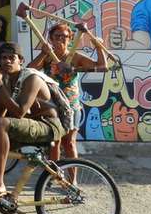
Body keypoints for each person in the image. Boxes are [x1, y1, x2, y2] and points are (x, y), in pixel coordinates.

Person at [0, 42, 66, 209]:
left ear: (20, 60)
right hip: (29, 127)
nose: (7, 61)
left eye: (11, 58)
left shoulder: (32, 78)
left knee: (1, 124)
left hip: (48, 125)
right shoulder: (7, 81)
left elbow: (19, 112)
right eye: (3, 58)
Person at [28, 23, 107, 163]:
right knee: (55, 142)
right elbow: (29, 70)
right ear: (50, 39)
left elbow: (102, 67)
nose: (60, 39)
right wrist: (43, 53)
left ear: (70, 39)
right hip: (52, 105)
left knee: (69, 143)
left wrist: (98, 46)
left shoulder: (75, 57)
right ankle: (54, 176)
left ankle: (72, 181)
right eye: (56, 36)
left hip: (71, 105)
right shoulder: (47, 56)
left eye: (64, 36)